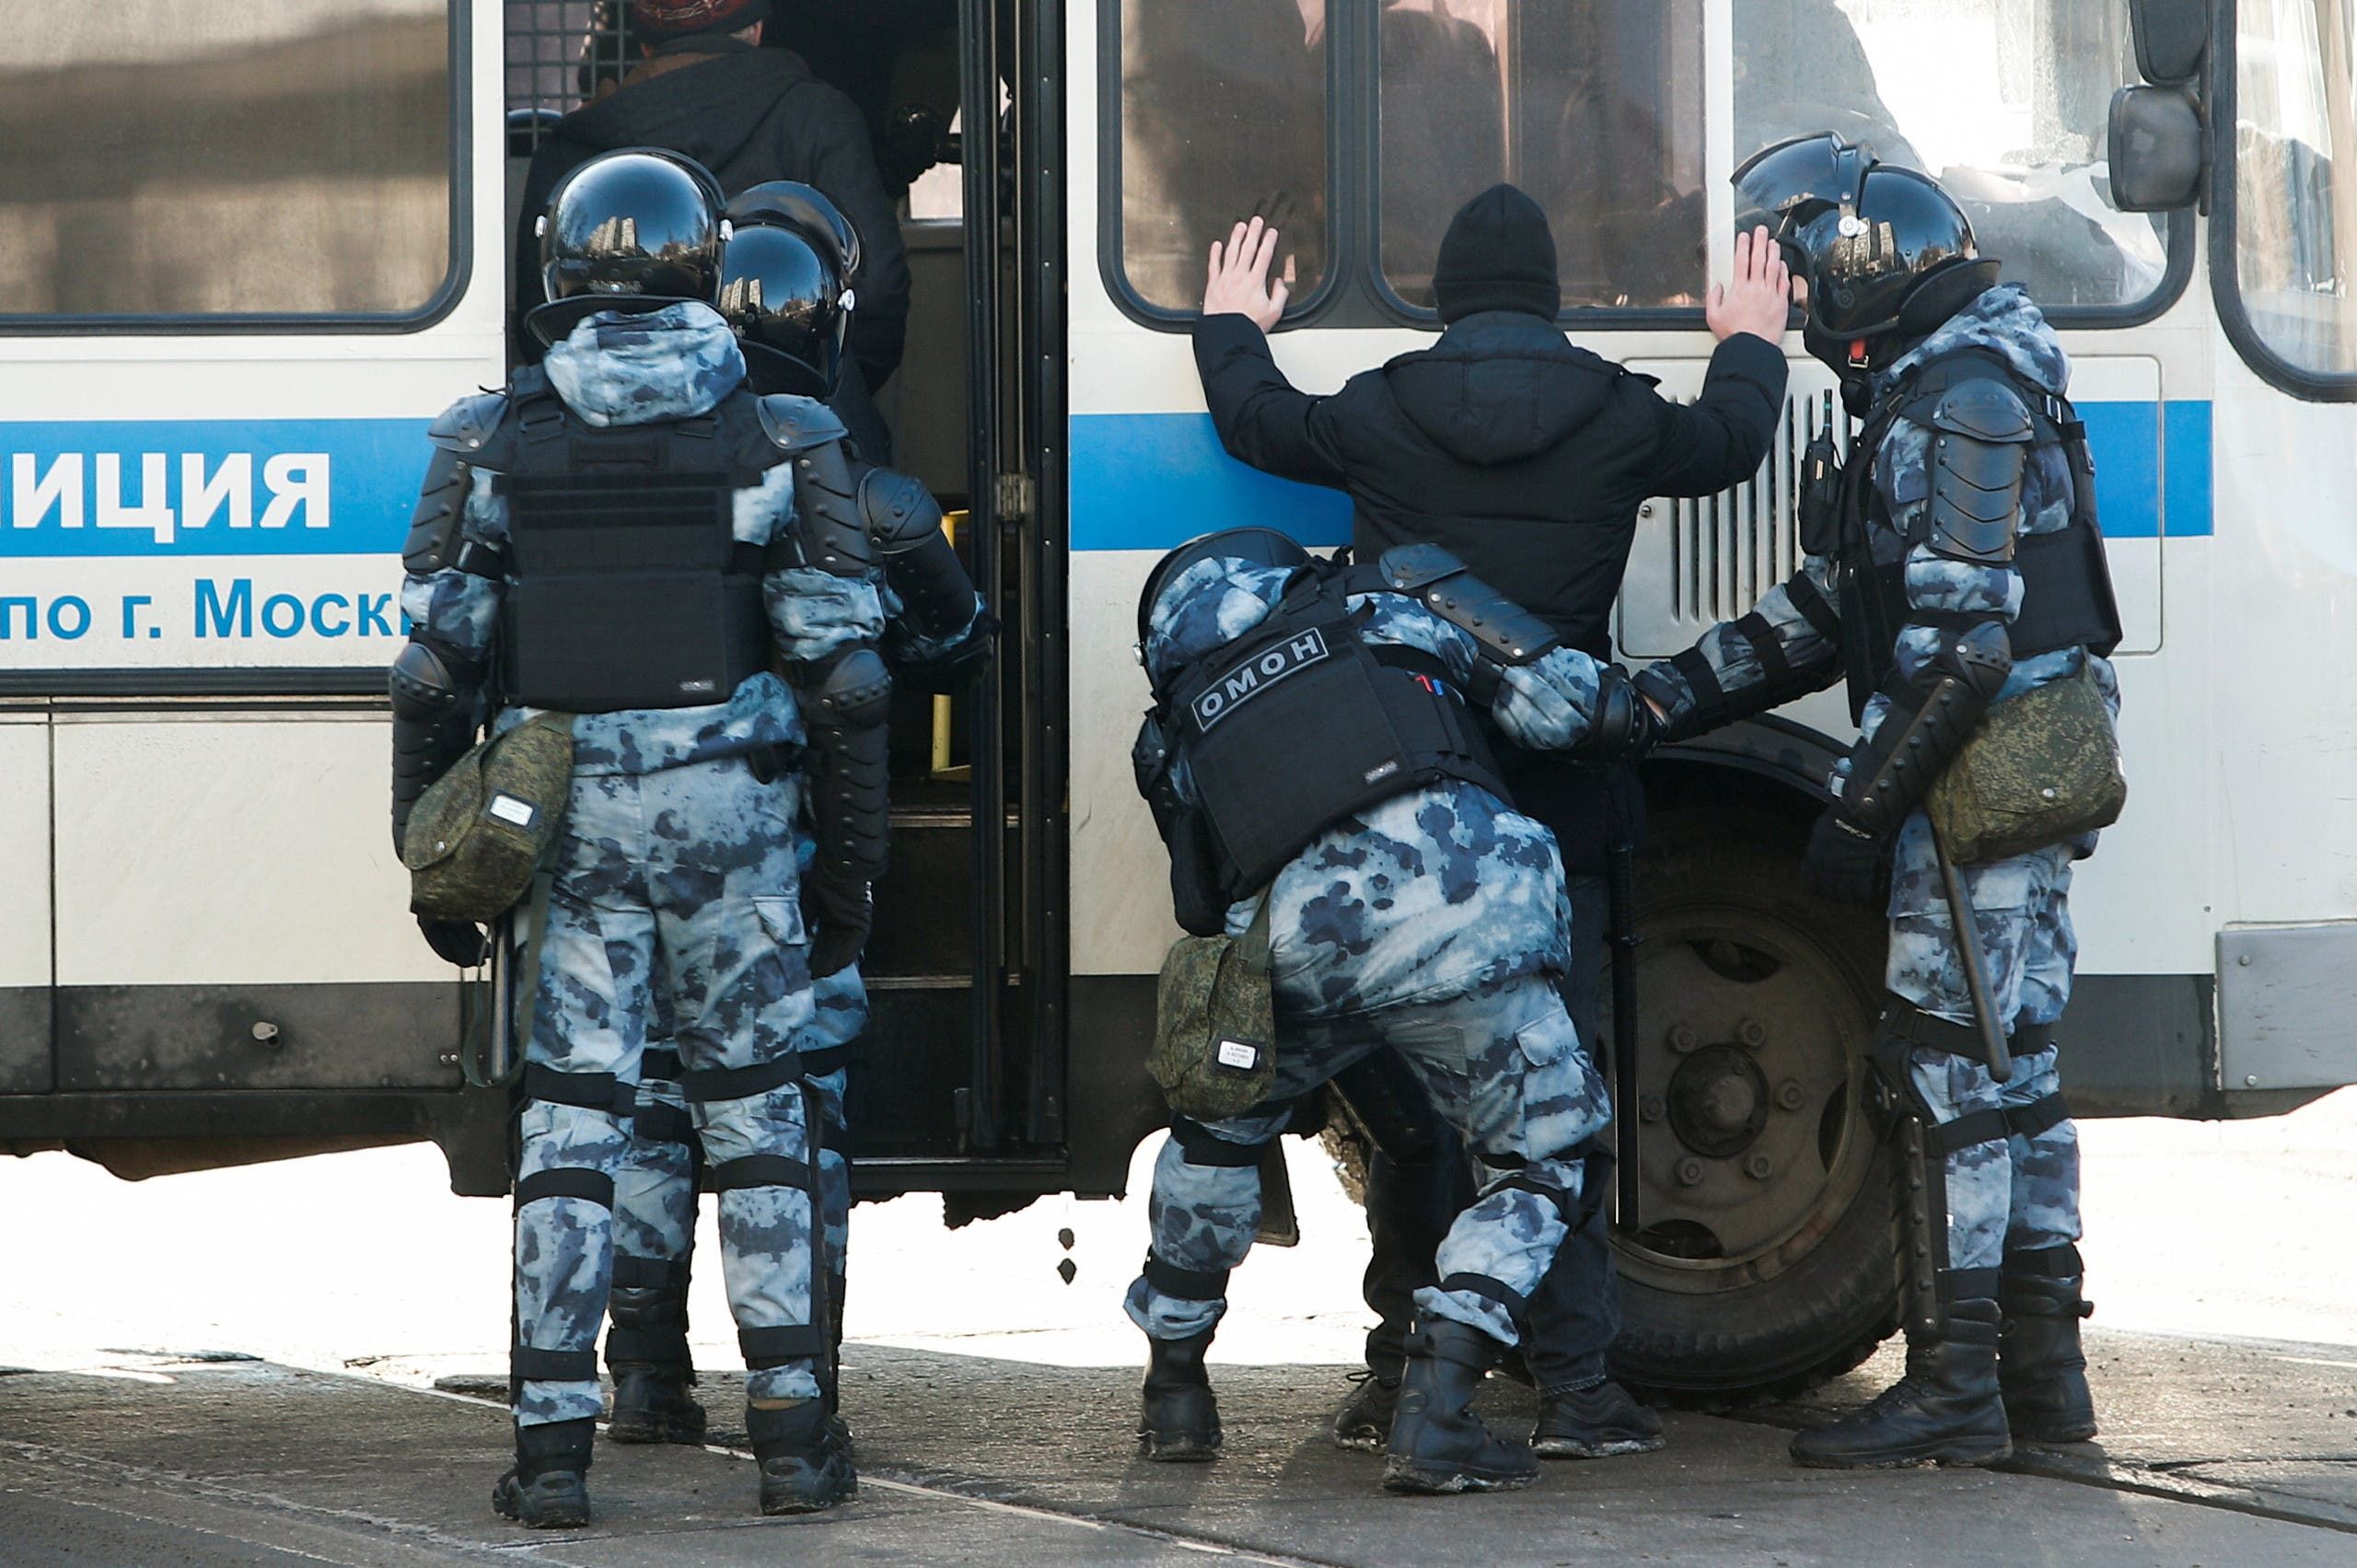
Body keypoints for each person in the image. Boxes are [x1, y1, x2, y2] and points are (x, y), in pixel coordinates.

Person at [1189, 186, 1797, 1458]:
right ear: (1553, 297)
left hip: (1410, 802)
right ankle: (1578, 1388)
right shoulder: (1621, 413)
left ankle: (1396, 1365)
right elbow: (1735, 440)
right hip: (1560, 807)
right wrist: (1749, 335)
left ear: (1444, 297)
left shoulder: (1379, 410)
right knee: (1550, 1102)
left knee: (1413, 1105)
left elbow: (1254, 420)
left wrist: (1232, 322)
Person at [391, 147, 909, 1526]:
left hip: (569, 832)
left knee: (571, 1126)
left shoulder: (489, 439)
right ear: (706, 265)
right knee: (761, 1118)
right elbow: (851, 681)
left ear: (558, 268)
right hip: (736, 831)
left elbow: (433, 673)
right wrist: (851, 875)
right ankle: (793, 1437)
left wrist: (430, 864)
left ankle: (553, 1454)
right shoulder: (784, 434)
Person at [1631, 133, 2120, 1470]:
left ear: (1858, 271)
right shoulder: (1943, 383)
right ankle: (2043, 1389)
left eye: (1801, 278)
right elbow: (1844, 601)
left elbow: (1958, 648)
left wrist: (1855, 809)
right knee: (2015, 1070)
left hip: (1980, 782)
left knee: (1944, 1068)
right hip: (2001, 769)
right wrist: (1668, 696)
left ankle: (1958, 1384)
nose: (1798, 307)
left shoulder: (1962, 398)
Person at [600, 195, 993, 1453]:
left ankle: (642, 1366)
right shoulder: (865, 495)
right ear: (828, 330)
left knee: (651, 1097)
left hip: (630, 846)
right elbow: (956, 643)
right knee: (795, 1113)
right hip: (783, 865)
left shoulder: (612, 478)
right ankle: (798, 1383)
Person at [1127, 528, 1621, 1495]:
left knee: (1217, 1133)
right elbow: (1572, 710)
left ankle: (1175, 1388)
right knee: (1539, 1159)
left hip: (1303, 954)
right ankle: (1439, 1403)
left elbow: (1198, 898)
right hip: (1466, 922)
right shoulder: (1381, 610)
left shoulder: (1172, 727)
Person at [511, 0, 911, 417]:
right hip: (789, 428)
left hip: (602, 435)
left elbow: (540, 321)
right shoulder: (818, 117)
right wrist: (817, 393)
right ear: (757, 29)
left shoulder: (573, 147)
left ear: (644, 45)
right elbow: (878, 298)